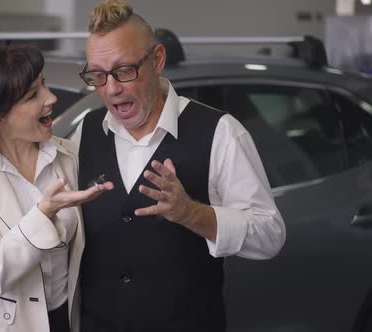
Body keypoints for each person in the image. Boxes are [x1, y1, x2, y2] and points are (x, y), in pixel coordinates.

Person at [71, 1, 286, 331]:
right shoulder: (86, 132)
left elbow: (270, 235)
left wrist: (192, 214)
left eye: (124, 70)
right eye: (97, 75)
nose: (111, 89)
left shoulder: (220, 132)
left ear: (157, 59)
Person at [0, 45, 113, 332]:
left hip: (66, 320)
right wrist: (44, 212)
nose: (51, 98)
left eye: (43, 84)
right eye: (33, 95)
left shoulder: (67, 155)